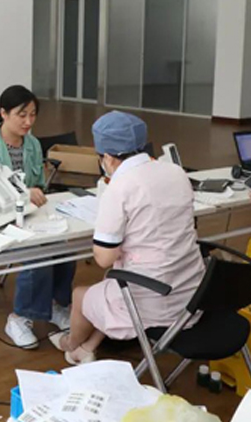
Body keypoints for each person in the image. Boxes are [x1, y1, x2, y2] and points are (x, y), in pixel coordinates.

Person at [50, 111, 205, 365]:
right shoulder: (176, 172)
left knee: (81, 294)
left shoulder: (120, 187)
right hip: (192, 293)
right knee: (114, 281)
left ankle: (71, 345)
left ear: (108, 158)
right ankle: (88, 347)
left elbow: (103, 258)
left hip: (155, 301)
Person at [0, 85, 75, 346]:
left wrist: (33, 194)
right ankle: (20, 317)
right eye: (22, 115)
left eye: (32, 115)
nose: (28, 121)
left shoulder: (32, 143)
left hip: (29, 213)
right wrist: (23, 193)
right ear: (3, 113)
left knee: (65, 246)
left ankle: (56, 305)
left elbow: (38, 183)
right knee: (38, 251)